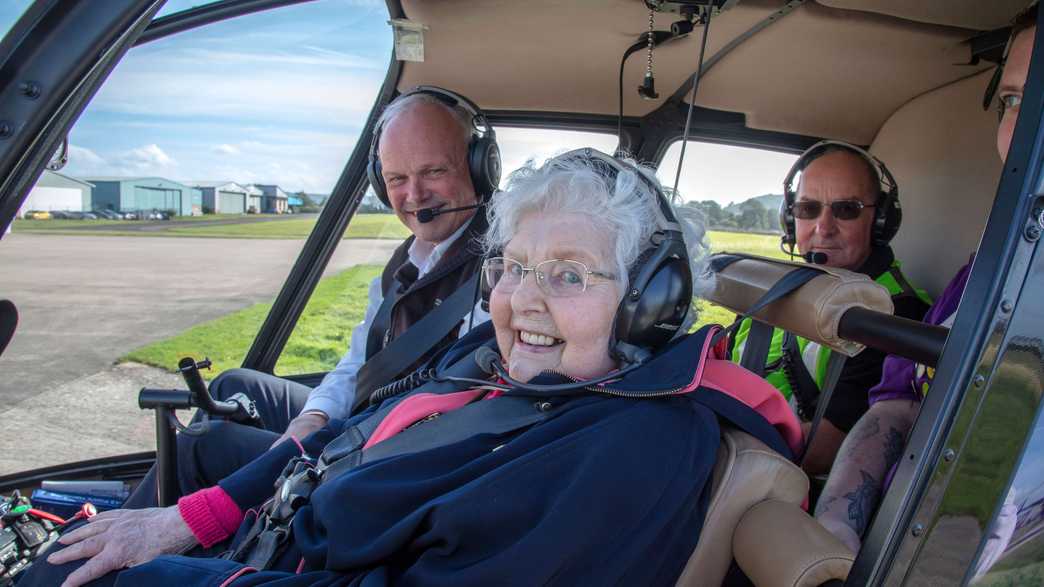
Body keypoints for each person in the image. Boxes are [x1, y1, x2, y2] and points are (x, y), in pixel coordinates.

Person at [20, 149, 801, 586]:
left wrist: (179, 575)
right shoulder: (499, 367)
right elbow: (341, 440)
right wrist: (181, 521)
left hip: (290, 564)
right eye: (514, 266)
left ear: (649, 303)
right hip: (280, 538)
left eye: (567, 274)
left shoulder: (630, 448)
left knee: (59, 576)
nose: (521, 300)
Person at [124, 86, 500, 508]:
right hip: (371, 414)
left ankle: (107, 555)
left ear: (480, 167)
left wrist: (318, 442)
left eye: (433, 171)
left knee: (201, 445)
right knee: (236, 385)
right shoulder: (410, 260)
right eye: (397, 178)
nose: (413, 196)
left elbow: (457, 408)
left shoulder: (503, 266)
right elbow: (361, 363)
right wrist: (314, 417)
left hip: (395, 450)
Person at [815, 3, 1038, 553]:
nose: (1027, 133)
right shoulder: (984, 276)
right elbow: (897, 405)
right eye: (1015, 102)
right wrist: (832, 537)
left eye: (845, 208)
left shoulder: (889, 309)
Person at [730, 141, 931, 475]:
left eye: (846, 209)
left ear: (880, 220)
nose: (823, 227)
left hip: (777, 486)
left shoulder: (893, 315)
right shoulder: (775, 287)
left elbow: (820, 451)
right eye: (808, 209)